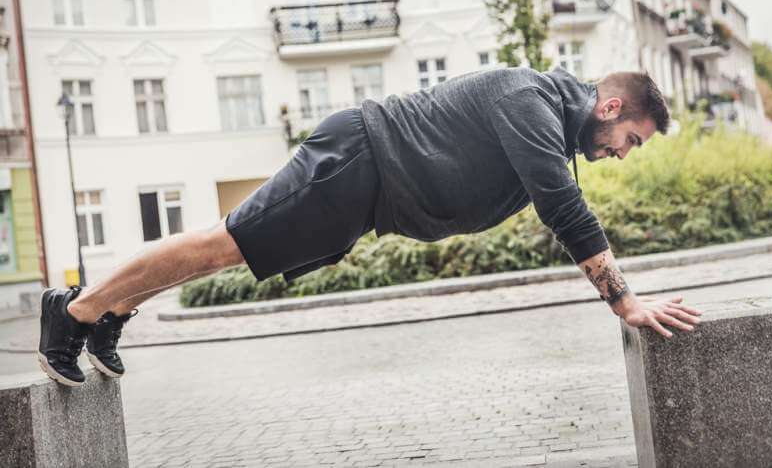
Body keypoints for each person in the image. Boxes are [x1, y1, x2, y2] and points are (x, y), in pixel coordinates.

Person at [38, 66, 702, 386]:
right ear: (610, 105)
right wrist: (626, 302)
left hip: (366, 192)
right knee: (223, 244)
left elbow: (556, 195)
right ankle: (75, 310)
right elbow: (564, 209)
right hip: (359, 163)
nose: (621, 152)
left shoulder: (554, 123)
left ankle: (111, 309)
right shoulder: (532, 100)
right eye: (630, 139)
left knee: (231, 253)